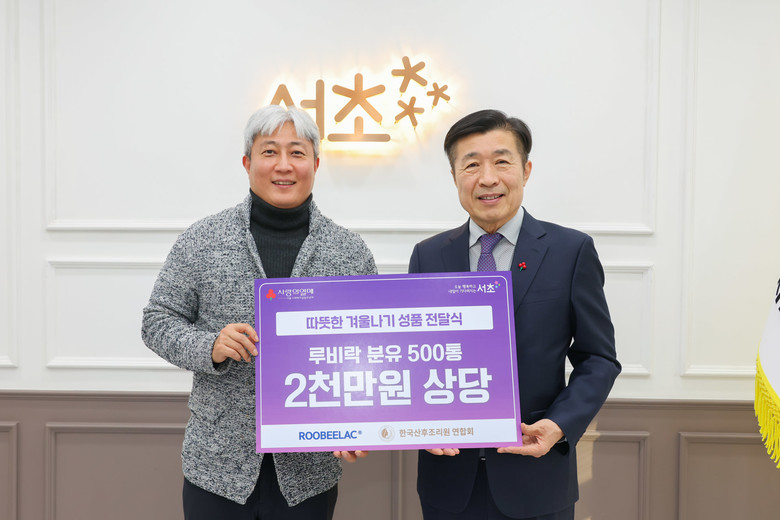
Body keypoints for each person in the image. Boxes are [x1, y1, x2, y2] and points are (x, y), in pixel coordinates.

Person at [142, 105, 376, 520]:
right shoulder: (203, 239)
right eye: (269, 152)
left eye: (297, 152)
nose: (283, 165)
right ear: (247, 163)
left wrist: (359, 423)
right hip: (217, 467)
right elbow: (157, 321)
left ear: (315, 164)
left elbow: (369, 348)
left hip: (310, 471)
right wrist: (210, 346)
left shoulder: (349, 251)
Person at [409, 109, 621, 520]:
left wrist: (559, 424)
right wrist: (419, 423)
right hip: (448, 480)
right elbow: (413, 357)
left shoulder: (570, 251)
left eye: (502, 162)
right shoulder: (429, 256)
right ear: (454, 176)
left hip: (536, 475)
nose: (487, 178)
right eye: (472, 165)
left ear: (525, 171)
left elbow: (598, 358)